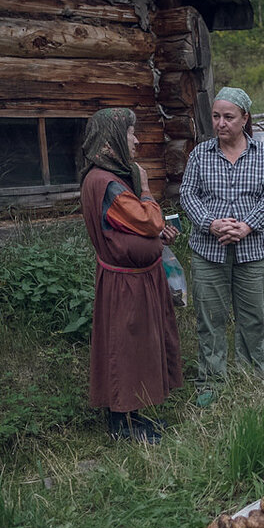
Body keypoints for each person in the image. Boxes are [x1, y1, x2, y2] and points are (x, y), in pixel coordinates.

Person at [78, 108, 182, 443]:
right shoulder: (105, 184)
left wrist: (155, 236)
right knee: (124, 348)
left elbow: (135, 227)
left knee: (135, 348)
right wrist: (149, 190)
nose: (136, 140)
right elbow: (148, 220)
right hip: (125, 284)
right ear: (111, 141)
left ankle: (132, 418)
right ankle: (121, 426)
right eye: (130, 134)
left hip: (135, 279)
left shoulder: (112, 177)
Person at [180, 87, 264, 405]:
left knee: (252, 317)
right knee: (209, 318)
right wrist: (211, 224)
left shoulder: (263, 155)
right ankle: (211, 383)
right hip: (208, 251)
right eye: (216, 116)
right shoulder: (200, 154)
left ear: (244, 118)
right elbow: (188, 194)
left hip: (253, 252)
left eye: (228, 117)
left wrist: (246, 226)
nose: (221, 123)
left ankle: (251, 379)